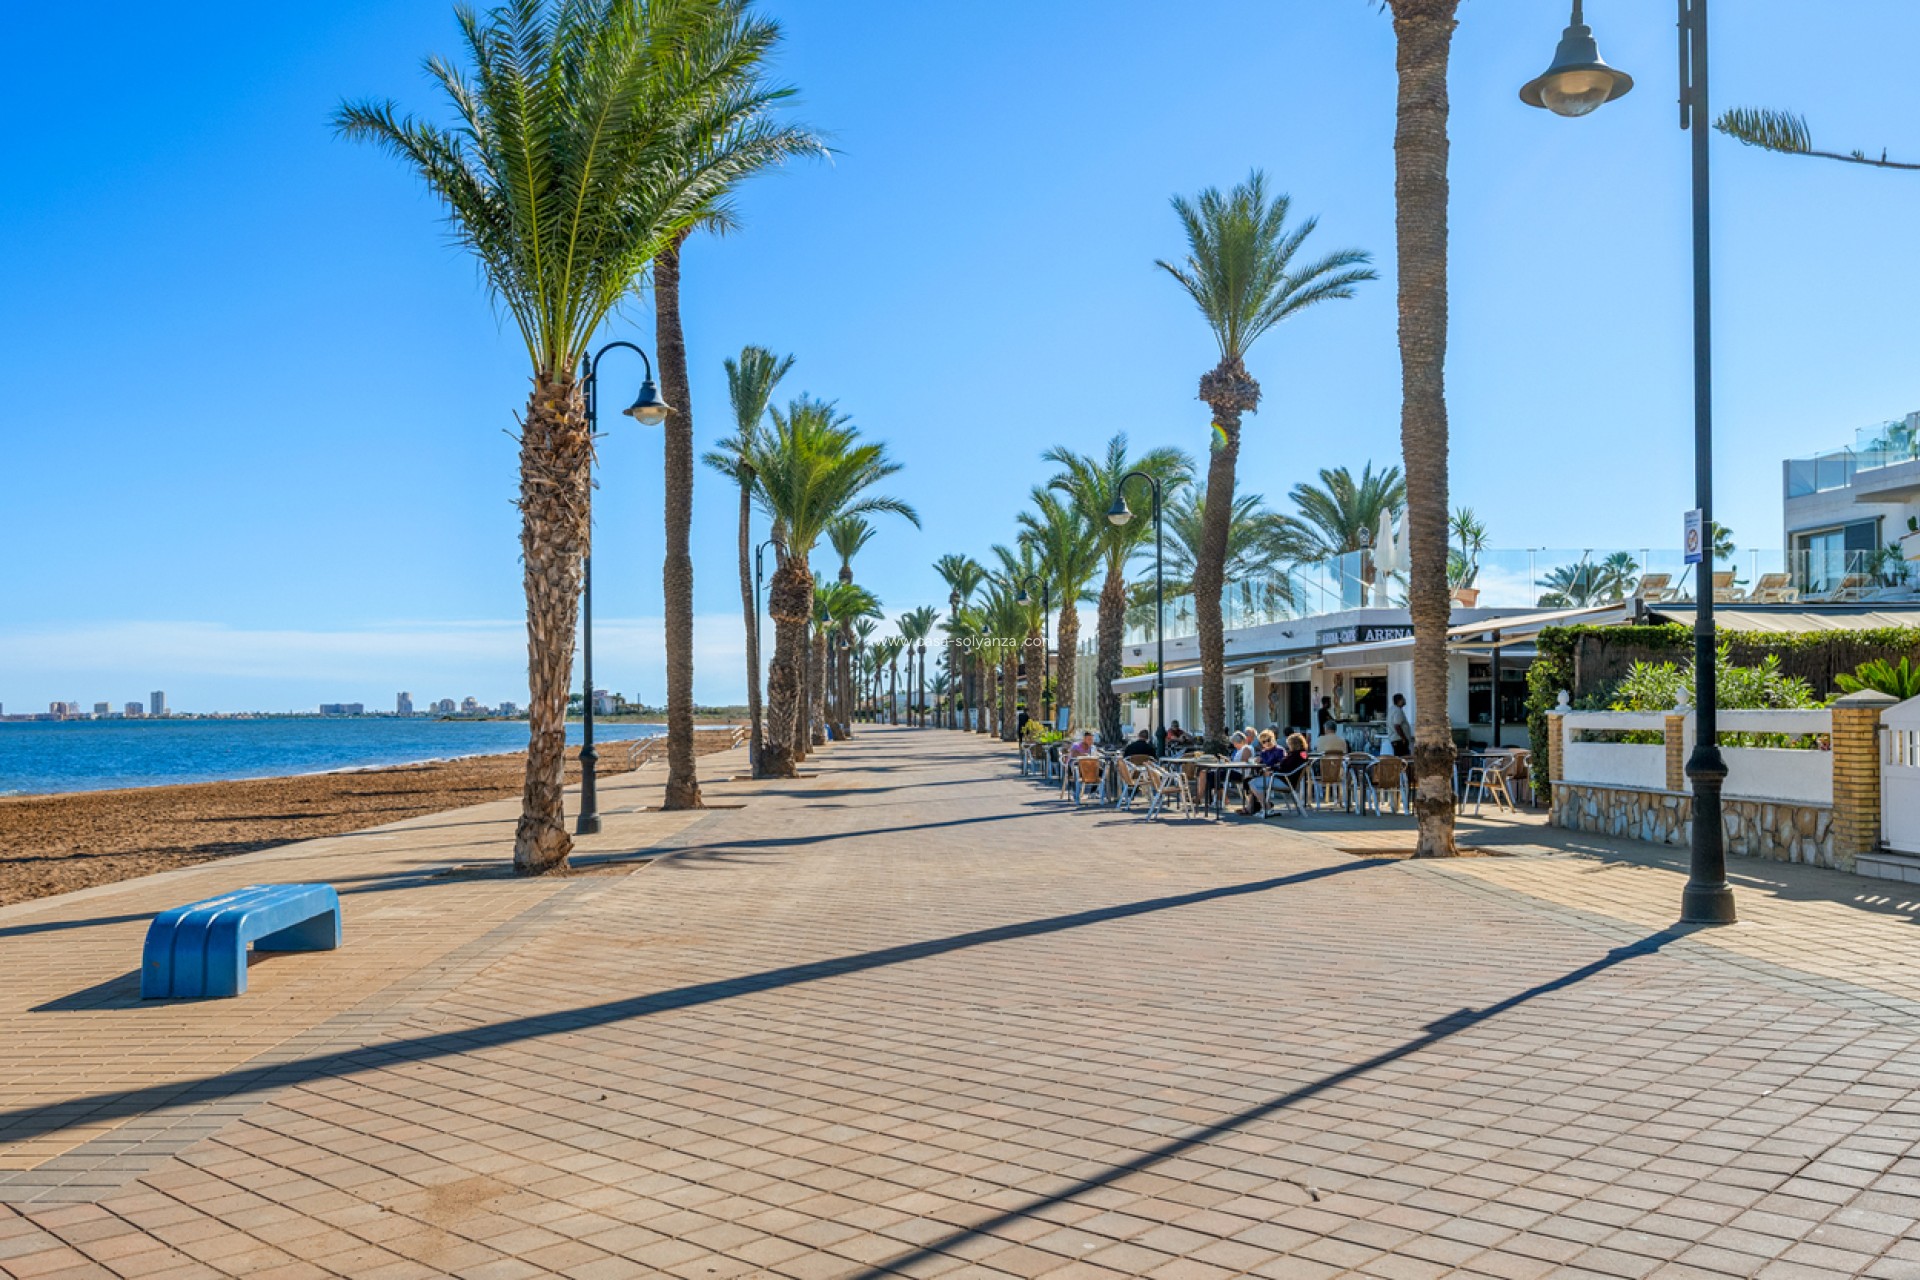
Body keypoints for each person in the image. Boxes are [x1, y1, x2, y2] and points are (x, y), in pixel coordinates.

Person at [1388, 693, 1413, 757]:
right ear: (1399, 701)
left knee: (1399, 758)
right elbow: (1397, 726)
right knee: (1404, 759)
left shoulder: (1392, 709)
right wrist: (1403, 738)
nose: (1404, 700)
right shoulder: (1397, 711)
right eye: (1403, 699)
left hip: (1395, 739)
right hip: (1399, 740)